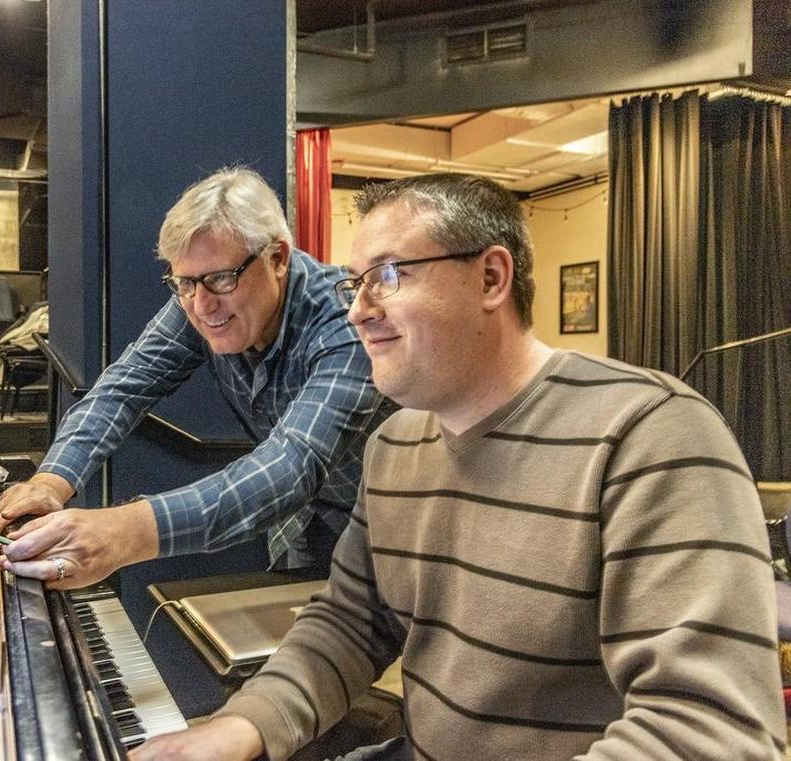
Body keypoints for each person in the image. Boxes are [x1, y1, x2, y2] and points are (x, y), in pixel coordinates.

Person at [131, 173, 785, 760]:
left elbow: (708, 728)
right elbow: (350, 625)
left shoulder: (652, 435)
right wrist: (241, 725)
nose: (357, 310)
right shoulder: (395, 448)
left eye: (388, 275)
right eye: (355, 283)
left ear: (491, 278)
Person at [0, 167, 388, 587]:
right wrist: (52, 482)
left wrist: (121, 532)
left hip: (385, 524)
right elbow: (122, 389)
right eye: (184, 283)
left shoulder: (346, 319)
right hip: (303, 522)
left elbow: (291, 464)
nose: (201, 305)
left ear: (277, 258)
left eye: (222, 278)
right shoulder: (199, 296)